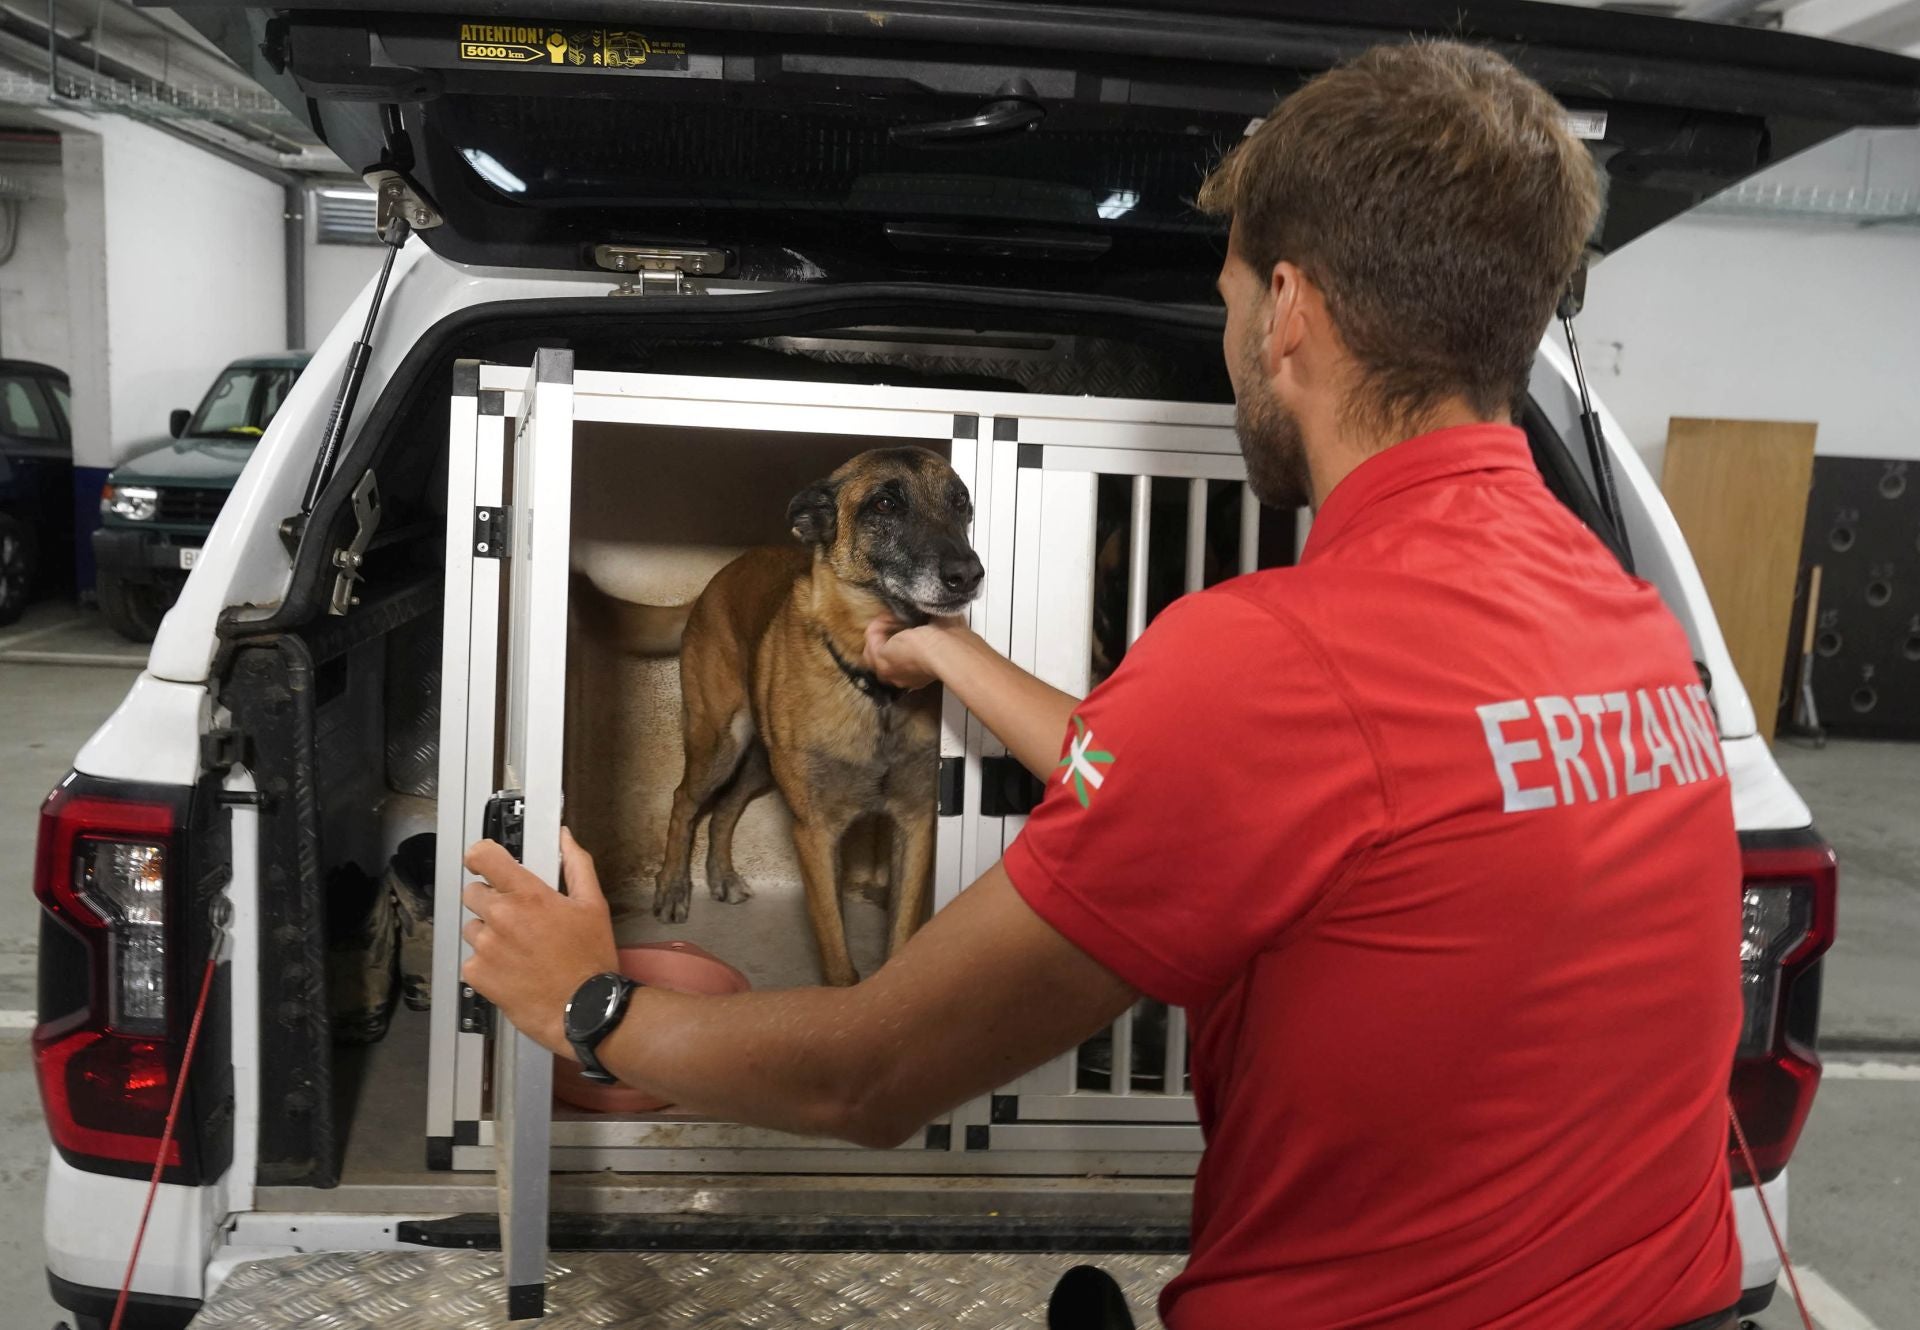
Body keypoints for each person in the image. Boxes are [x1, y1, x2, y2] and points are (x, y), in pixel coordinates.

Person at [461, 39, 1744, 1330]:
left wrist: (591, 1002)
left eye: (1231, 294)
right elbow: (1240, 789)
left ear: (1289, 305)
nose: (1235, 331)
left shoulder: (1277, 658)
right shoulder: (1629, 621)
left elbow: (872, 1075)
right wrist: (951, 649)